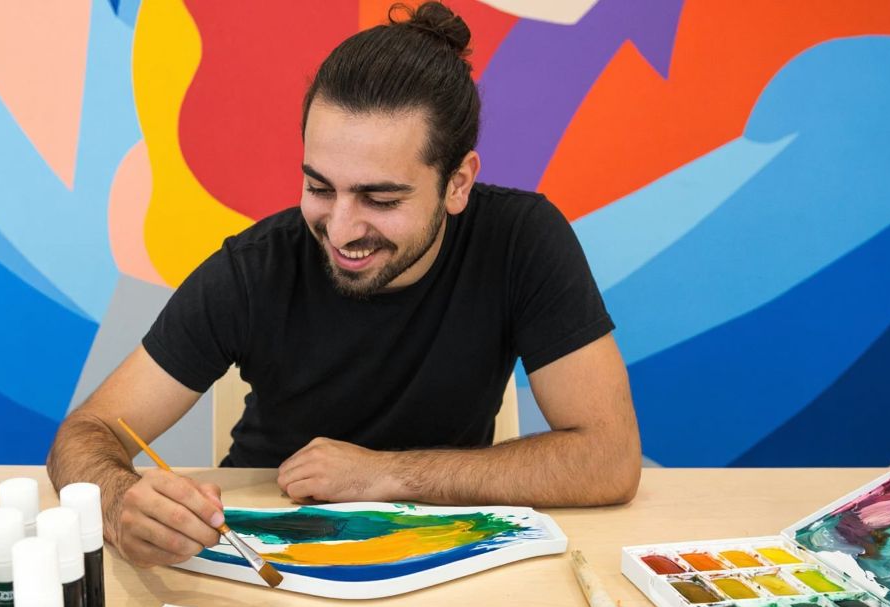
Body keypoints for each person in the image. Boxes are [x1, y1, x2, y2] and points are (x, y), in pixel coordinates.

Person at [48, 2, 641, 567]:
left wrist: (386, 475)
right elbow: (84, 435)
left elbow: (608, 458)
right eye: (320, 187)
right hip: (265, 544)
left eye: (380, 198)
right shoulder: (255, 268)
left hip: (440, 545)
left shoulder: (523, 240)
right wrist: (119, 499)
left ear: (458, 183)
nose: (341, 228)